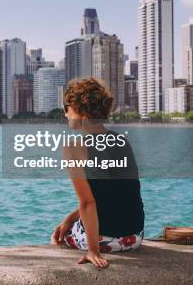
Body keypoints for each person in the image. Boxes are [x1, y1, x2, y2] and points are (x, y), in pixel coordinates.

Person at [51, 78, 144, 268]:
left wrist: (93, 250)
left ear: (83, 113)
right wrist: (70, 218)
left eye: (67, 107)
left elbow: (88, 202)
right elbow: (112, 196)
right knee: (69, 225)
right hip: (134, 237)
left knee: (58, 238)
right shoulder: (120, 141)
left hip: (105, 242)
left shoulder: (73, 148)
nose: (65, 113)